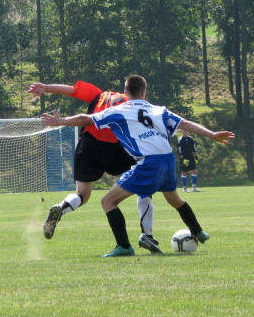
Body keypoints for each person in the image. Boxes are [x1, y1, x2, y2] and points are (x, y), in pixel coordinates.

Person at [42, 75, 235, 257]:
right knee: (174, 199)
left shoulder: (120, 109)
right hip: (168, 160)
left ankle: (124, 246)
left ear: (126, 92)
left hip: (140, 161)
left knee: (106, 201)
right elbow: (184, 123)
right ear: (144, 93)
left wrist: (60, 121)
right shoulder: (159, 109)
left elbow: (86, 118)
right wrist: (213, 134)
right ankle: (198, 232)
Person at [28, 81, 162, 253]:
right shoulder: (132, 103)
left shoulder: (99, 94)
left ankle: (61, 208)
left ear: (124, 90)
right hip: (116, 147)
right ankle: (147, 236)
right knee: (144, 186)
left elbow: (71, 90)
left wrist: (45, 88)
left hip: (88, 143)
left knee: (82, 194)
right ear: (140, 94)